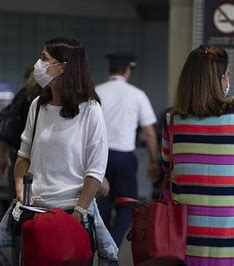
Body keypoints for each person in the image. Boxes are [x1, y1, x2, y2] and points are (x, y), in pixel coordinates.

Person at [12, 37, 116, 264]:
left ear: (63, 67)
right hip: (36, 214)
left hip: (72, 214)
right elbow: (23, 156)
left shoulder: (90, 109)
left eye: (44, 59)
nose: (38, 65)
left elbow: (95, 169)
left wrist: (78, 213)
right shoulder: (38, 105)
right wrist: (21, 191)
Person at [162, 45, 232, 265]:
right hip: (228, 236)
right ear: (221, 79)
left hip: (184, 237)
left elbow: (168, 168)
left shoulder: (171, 119)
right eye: (227, 74)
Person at [95, 53, 158, 247]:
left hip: (99, 157)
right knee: (127, 204)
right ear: (127, 70)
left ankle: (99, 246)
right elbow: (149, 133)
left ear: (110, 70)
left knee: (101, 206)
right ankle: (111, 246)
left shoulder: (96, 91)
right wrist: (153, 161)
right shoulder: (137, 94)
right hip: (124, 158)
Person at [0, 70, 42, 200]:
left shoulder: (22, 95)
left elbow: (8, 126)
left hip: (18, 159)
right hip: (41, 164)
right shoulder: (49, 98)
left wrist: (2, 155)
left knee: (18, 206)